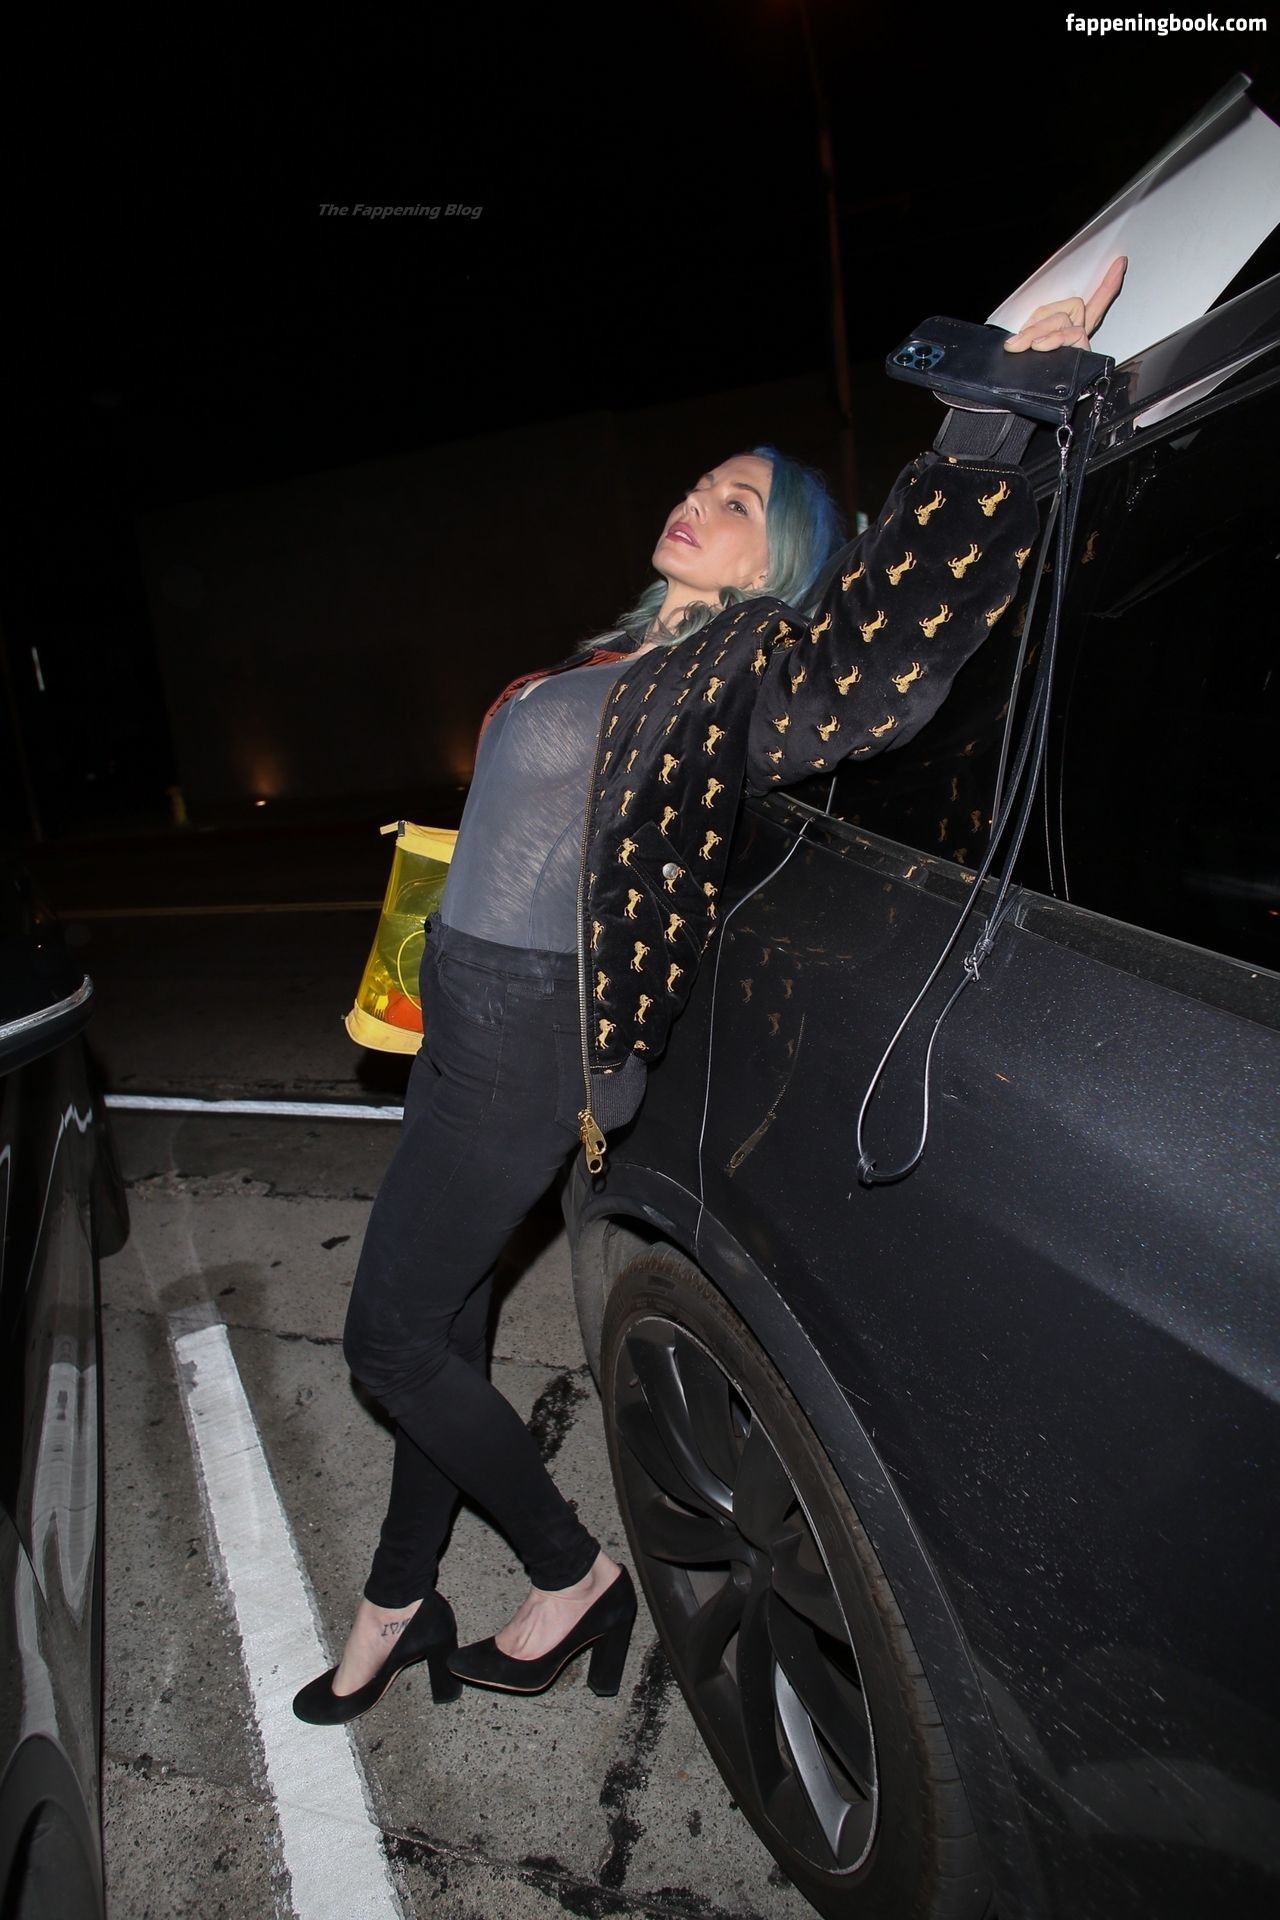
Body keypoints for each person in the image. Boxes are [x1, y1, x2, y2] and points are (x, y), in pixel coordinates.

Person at [293, 261, 1127, 1726]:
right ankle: (399, 1598)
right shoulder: (624, 654)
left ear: (773, 561)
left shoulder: (743, 670)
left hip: (533, 1040)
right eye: (699, 483)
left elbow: (882, 655)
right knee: (444, 1327)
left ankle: (570, 1578)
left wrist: (993, 413)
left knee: (387, 1341)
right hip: (462, 1016)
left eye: (737, 500)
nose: (699, 500)